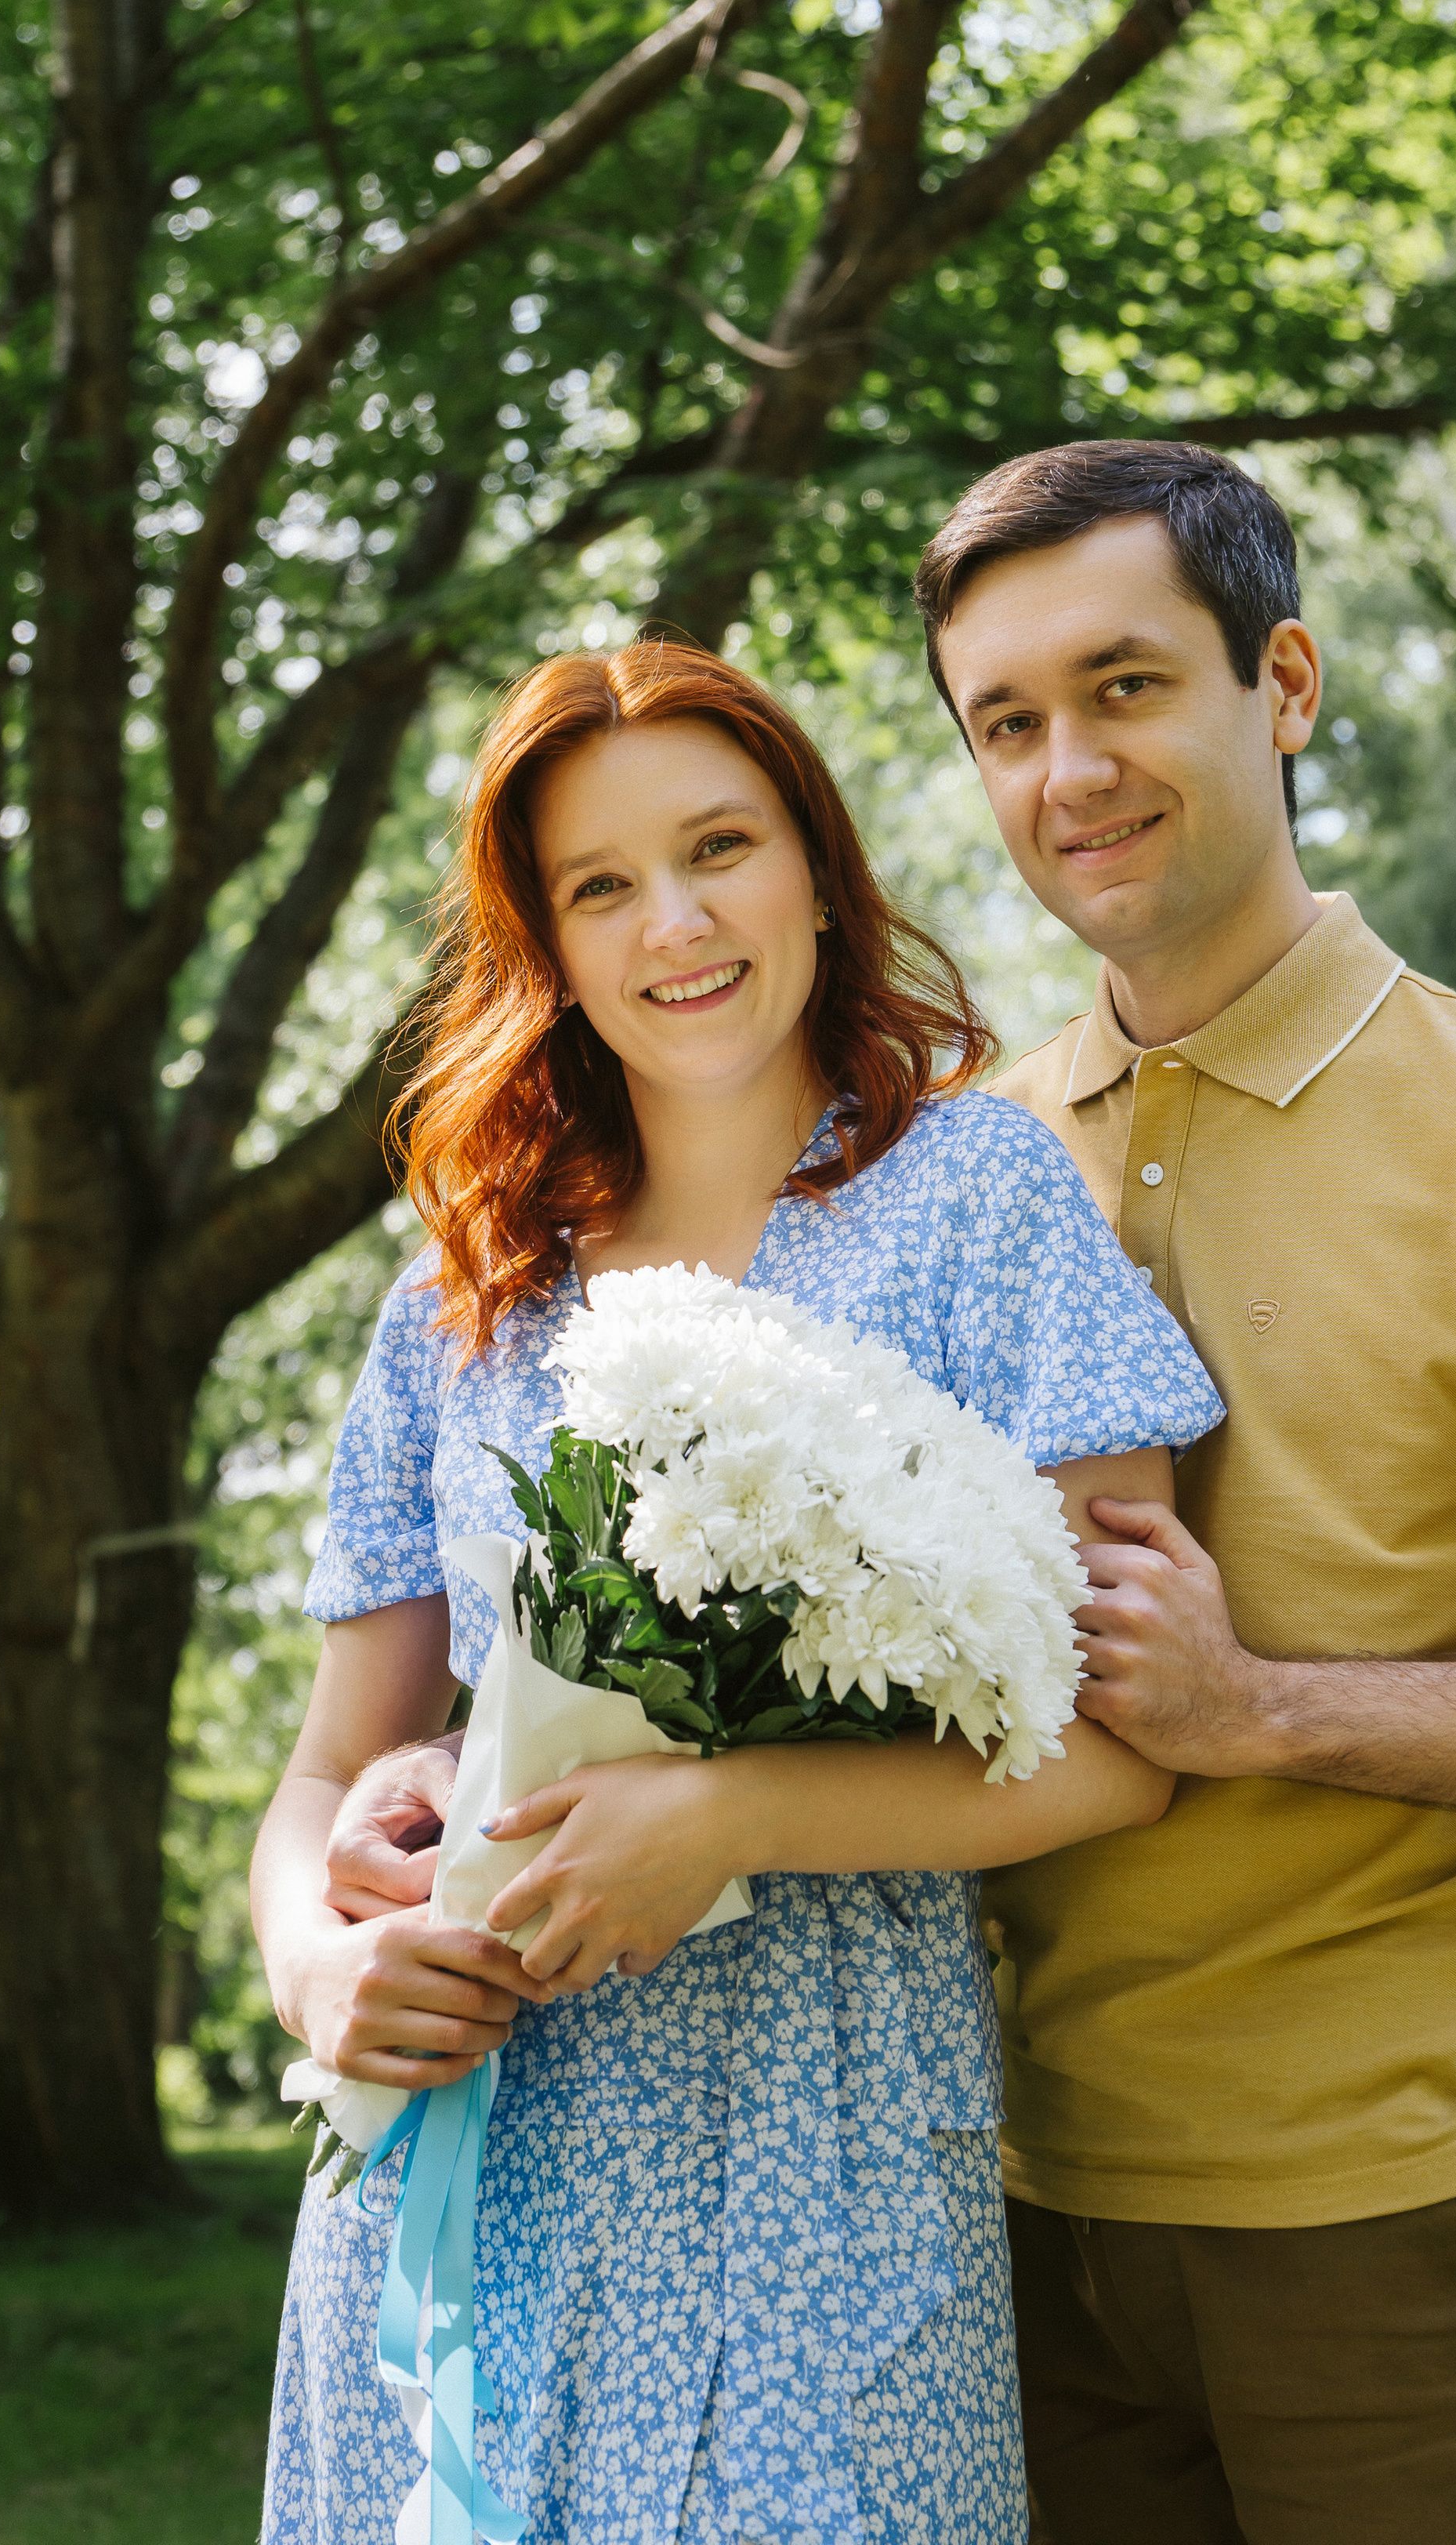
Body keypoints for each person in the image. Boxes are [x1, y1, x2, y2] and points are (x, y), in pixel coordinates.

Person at [252, 639, 1224, 2545]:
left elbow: (1131, 1747)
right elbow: (325, 1782)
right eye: (598, 885)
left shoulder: (977, 1201)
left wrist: (729, 1814)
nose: (673, 923)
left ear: (815, 864)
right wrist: (319, 1968)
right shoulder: (461, 1294)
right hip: (469, 2155)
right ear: (539, 937)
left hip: (824, 2170)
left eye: (720, 846)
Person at [911, 438, 1456, 2545]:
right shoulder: (968, 1158)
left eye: (1126, 687)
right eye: (1008, 723)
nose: (1070, 772)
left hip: (1420, 2223)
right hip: (1028, 2227)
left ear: (1282, 684)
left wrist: (1272, 1709)